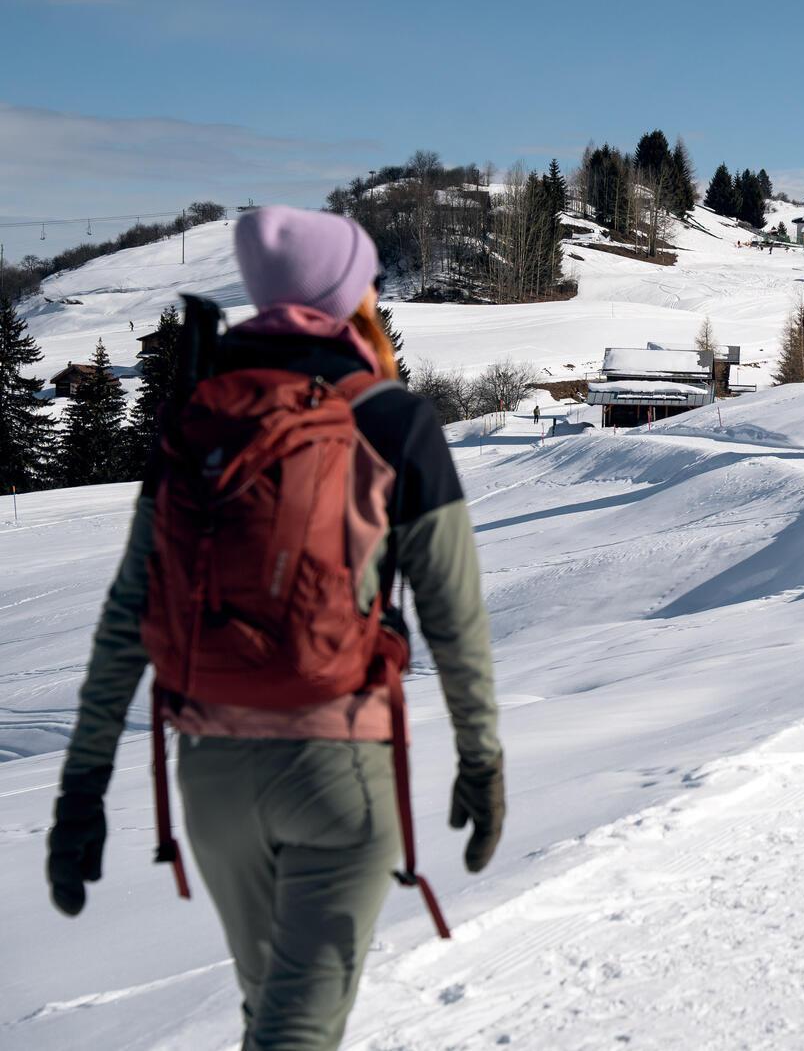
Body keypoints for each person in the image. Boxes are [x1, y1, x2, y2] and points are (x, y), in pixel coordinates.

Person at [46, 205, 504, 1051]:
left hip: (210, 777)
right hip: (339, 768)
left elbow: (126, 619)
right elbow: (455, 616)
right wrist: (481, 761)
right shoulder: (394, 420)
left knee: (272, 1016)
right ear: (344, 296)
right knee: (297, 1032)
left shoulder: (196, 420)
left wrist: (82, 792)